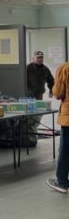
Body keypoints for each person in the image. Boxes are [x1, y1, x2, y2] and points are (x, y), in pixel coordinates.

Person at [47, 61, 69, 194]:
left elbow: (58, 93)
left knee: (65, 150)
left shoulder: (64, 68)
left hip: (68, 118)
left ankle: (62, 182)